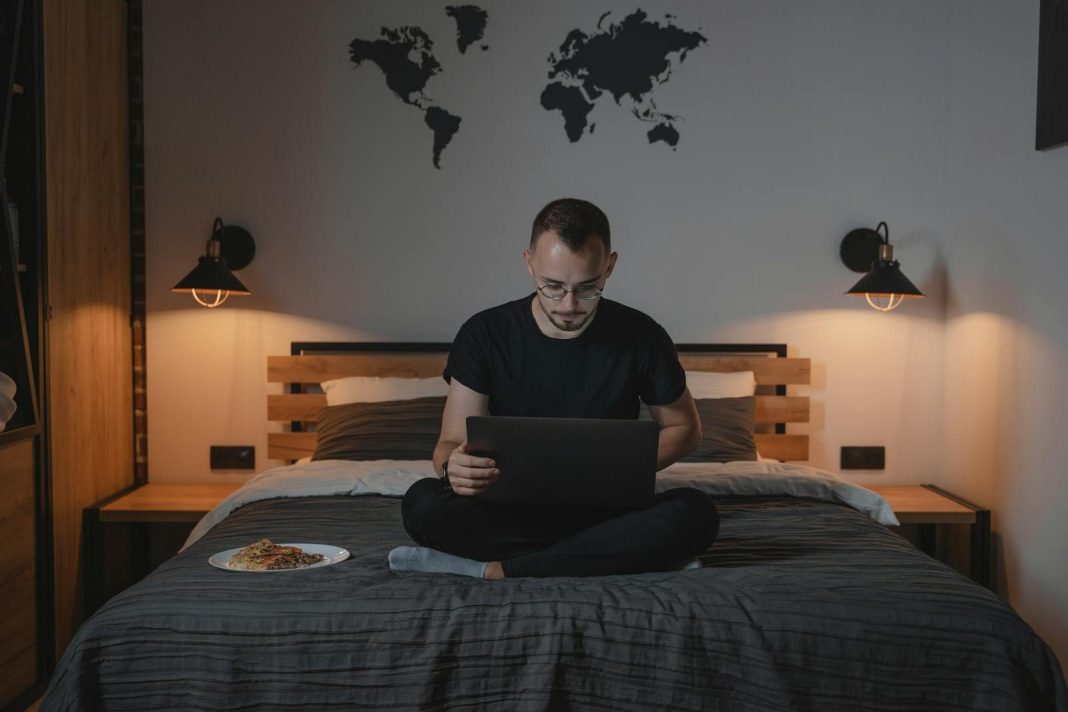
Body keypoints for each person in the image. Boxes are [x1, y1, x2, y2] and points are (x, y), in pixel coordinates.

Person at [388, 198, 718, 579]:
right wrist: (453, 468)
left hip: (607, 510)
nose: (569, 304)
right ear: (529, 263)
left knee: (696, 512)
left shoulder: (643, 336)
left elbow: (686, 429)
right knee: (421, 502)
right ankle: (597, 555)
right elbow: (449, 443)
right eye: (553, 287)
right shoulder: (484, 334)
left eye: (588, 288)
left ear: (610, 266)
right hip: (510, 512)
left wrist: (614, 470)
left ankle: (505, 568)